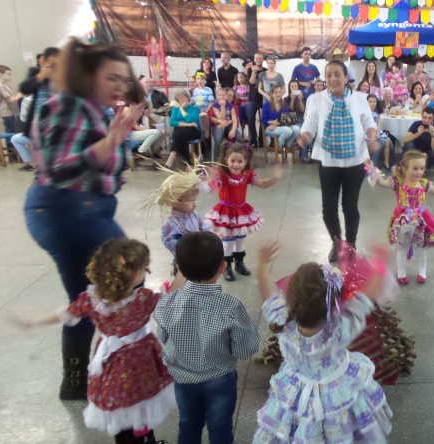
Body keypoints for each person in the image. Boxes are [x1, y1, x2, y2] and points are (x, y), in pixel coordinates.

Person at [24, 38, 144, 400]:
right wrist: (110, 142)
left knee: (88, 295)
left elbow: (109, 168)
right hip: (66, 209)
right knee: (127, 282)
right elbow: (60, 168)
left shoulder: (95, 110)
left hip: (79, 209)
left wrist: (118, 135)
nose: (120, 87)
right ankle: (124, 373)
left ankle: (75, 381)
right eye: (112, 78)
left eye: (124, 79)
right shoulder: (67, 105)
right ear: (88, 75)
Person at [16, 239, 177, 443]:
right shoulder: (142, 299)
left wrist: (33, 321)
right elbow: (171, 293)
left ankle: (134, 438)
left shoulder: (90, 299)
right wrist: (186, 268)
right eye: (145, 268)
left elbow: (64, 314)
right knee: (142, 405)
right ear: (136, 275)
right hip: (141, 362)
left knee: (122, 409)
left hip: (111, 365)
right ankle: (145, 439)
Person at [252, 241, 393, 442]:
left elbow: (268, 296)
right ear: (333, 303)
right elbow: (367, 296)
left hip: (296, 392)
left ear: (291, 300)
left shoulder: (283, 322)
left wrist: (261, 265)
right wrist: (380, 265)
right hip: (338, 393)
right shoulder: (340, 327)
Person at [154, 231, 260, 444]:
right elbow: (244, 349)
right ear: (222, 267)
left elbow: (163, 338)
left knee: (188, 422)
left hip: (183, 379)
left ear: (181, 269)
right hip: (220, 380)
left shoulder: (167, 303)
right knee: (220, 425)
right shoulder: (231, 307)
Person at [297, 61, 379, 262]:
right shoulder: (316, 99)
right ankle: (337, 243)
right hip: (328, 161)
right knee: (328, 208)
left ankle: (350, 245)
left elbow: (369, 122)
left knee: (350, 207)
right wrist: (305, 136)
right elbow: (310, 123)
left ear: (346, 77)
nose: (333, 79)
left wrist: (373, 138)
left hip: (356, 161)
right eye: (329, 75)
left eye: (337, 74)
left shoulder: (360, 98)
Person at [368, 151, 434, 284]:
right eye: (415, 168)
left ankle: (422, 271)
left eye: (422, 168)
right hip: (403, 219)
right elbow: (382, 183)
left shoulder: (423, 183)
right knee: (403, 246)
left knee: (420, 246)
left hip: (421, 220)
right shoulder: (398, 182)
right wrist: (373, 171)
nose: (419, 172)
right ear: (405, 168)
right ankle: (401, 273)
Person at [203, 143, 281, 280]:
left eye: (240, 161)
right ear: (226, 159)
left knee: (239, 239)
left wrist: (274, 178)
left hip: (241, 211)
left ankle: (239, 263)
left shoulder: (248, 174)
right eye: (232, 161)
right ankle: (226, 266)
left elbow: (262, 184)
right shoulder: (222, 175)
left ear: (246, 162)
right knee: (227, 241)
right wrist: (209, 180)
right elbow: (208, 190)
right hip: (225, 212)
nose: (236, 165)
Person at [154, 169, 211, 268]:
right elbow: (168, 241)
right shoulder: (171, 223)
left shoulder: (194, 215)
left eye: (195, 200)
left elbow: (203, 227)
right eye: (191, 201)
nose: (194, 204)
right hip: (183, 261)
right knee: (184, 281)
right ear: (176, 202)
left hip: (198, 256)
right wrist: (184, 250)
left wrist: (209, 237)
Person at [166, 89, 201, 169]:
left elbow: (191, 120)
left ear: (187, 97)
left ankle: (171, 159)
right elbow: (172, 122)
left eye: (182, 97)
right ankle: (188, 163)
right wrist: (188, 124)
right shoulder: (175, 109)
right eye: (179, 99)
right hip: (182, 132)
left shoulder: (195, 108)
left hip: (194, 131)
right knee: (179, 132)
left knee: (178, 132)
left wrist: (182, 109)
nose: (181, 100)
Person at [262, 84, 299, 149]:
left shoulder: (285, 104)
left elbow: (286, 119)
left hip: (282, 126)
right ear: (272, 94)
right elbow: (263, 120)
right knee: (288, 131)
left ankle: (288, 144)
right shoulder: (266, 105)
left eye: (280, 92)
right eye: (276, 92)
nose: (278, 94)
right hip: (270, 128)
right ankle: (280, 145)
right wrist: (272, 123)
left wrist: (276, 124)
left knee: (297, 129)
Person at [208, 87, 241, 162]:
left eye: (223, 95)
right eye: (219, 95)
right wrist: (222, 107)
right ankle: (217, 161)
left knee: (239, 138)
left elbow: (235, 120)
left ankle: (241, 158)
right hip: (219, 125)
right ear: (217, 96)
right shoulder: (215, 105)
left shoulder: (230, 105)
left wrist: (233, 130)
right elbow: (220, 117)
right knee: (218, 140)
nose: (222, 97)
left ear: (226, 96)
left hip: (229, 125)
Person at [0, 65, 23, 141]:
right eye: (8, 74)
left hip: (11, 111)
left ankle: (13, 149)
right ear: (0, 74)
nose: (10, 76)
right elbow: (9, 99)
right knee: (10, 131)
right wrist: (20, 95)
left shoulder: (6, 84)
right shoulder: (0, 85)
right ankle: (10, 149)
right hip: (6, 111)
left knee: (13, 130)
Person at [367, 94, 393, 170]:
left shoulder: (377, 111)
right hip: (368, 131)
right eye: (370, 101)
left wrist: (377, 133)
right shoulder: (364, 112)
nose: (372, 103)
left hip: (377, 130)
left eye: (374, 101)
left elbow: (379, 123)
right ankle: (373, 165)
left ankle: (386, 163)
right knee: (379, 141)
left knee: (387, 141)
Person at [10, 95, 36, 171]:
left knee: (15, 139)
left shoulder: (28, 100)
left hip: (37, 134)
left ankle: (30, 163)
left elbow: (23, 118)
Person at [246, 53, 267, 147]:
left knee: (264, 119)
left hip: (263, 97)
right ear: (254, 59)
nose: (258, 59)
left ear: (263, 59)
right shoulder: (250, 69)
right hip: (252, 97)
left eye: (260, 58)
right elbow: (251, 82)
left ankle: (262, 139)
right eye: (257, 58)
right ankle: (253, 139)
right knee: (250, 118)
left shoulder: (266, 70)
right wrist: (254, 72)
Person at [234, 71, 251, 138]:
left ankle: (250, 134)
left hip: (247, 104)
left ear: (245, 78)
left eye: (241, 77)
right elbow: (235, 96)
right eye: (238, 77)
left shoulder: (248, 86)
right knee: (241, 119)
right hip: (239, 105)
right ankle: (242, 135)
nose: (240, 79)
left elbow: (249, 96)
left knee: (249, 118)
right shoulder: (236, 87)